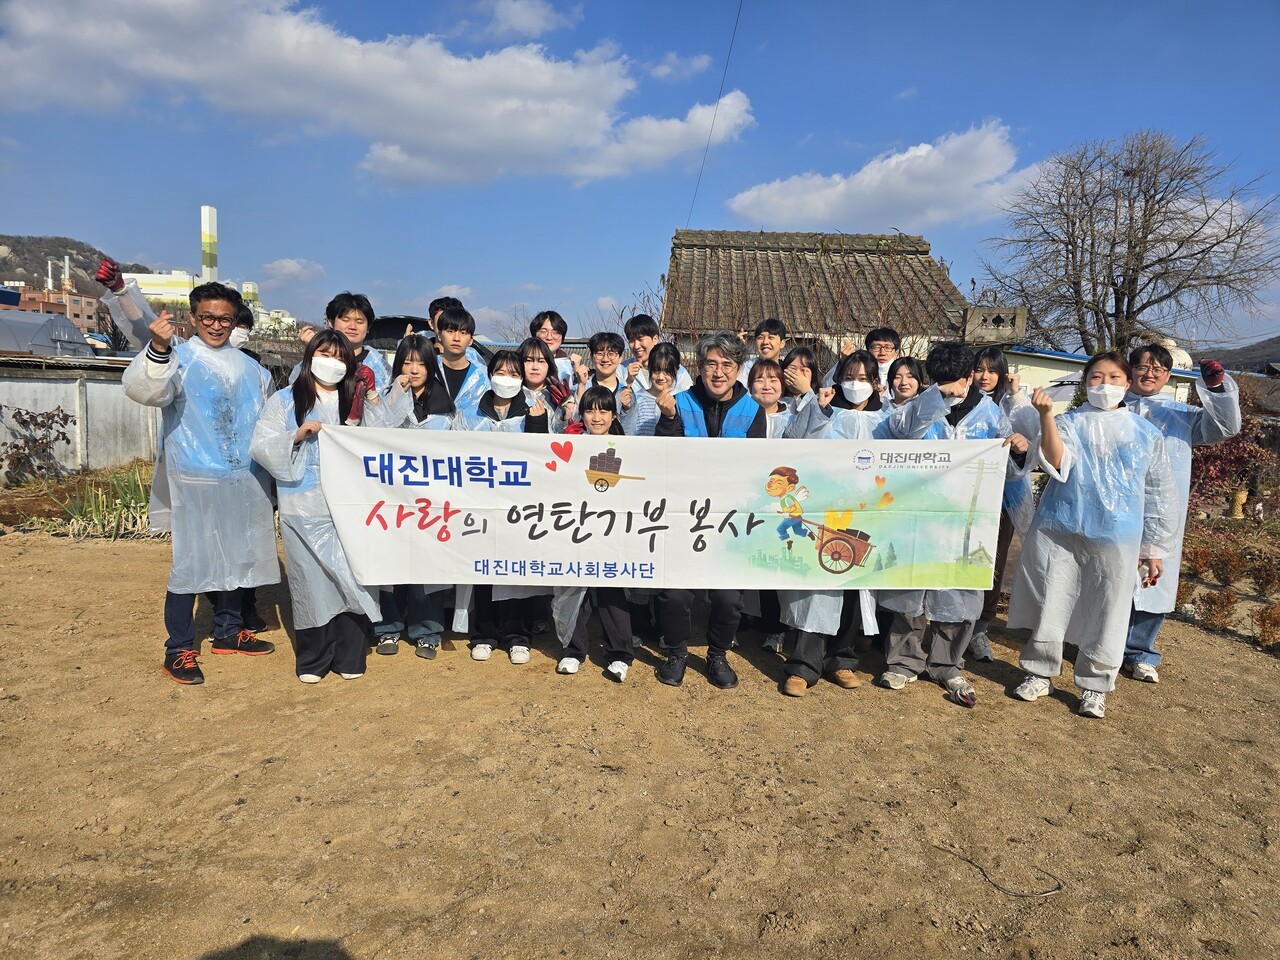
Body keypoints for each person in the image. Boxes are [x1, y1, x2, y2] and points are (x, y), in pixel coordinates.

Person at [120, 281, 281, 685]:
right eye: (207, 317)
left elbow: (269, 424)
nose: (215, 325)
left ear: (235, 321)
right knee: (191, 565)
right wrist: (157, 348)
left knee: (237, 558)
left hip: (244, 480)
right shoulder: (179, 359)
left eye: (223, 318)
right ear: (193, 317)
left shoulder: (254, 370)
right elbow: (145, 390)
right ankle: (179, 648)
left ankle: (228, 631)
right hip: (195, 478)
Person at [1009, 353, 1177, 719]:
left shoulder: (1146, 433)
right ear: (1085, 383)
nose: (1105, 385)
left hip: (1118, 534)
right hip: (1061, 528)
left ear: (1128, 383)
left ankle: (1094, 684)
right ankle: (1040, 671)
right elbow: (1056, 462)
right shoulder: (1068, 422)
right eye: (1097, 377)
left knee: (1109, 608)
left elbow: (1159, 494)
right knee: (1052, 599)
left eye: (1114, 377)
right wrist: (1046, 417)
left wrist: (1154, 548)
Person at [875, 342, 1027, 708]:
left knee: (961, 590)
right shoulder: (917, 409)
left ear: (970, 375)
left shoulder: (991, 415)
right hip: (918, 515)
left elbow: (1004, 470)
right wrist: (936, 398)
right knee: (911, 587)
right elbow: (897, 435)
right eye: (942, 382)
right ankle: (904, 660)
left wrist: (1018, 450)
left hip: (968, 519)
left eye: (957, 381)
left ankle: (947, 662)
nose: (954, 389)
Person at [251, 330, 392, 683]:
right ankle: (314, 658)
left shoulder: (354, 401)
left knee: (353, 579)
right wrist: (295, 436)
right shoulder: (285, 401)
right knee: (311, 580)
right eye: (324, 353)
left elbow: (389, 435)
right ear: (310, 356)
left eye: (340, 357)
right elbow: (262, 444)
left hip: (352, 507)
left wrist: (372, 396)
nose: (331, 363)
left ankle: (350, 654)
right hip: (303, 505)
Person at [1121, 345, 1240, 682]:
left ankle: (1140, 651)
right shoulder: (1111, 410)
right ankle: (1099, 642)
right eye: (1143, 366)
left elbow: (1225, 428)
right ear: (1130, 370)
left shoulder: (1183, 415)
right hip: (1116, 508)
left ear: (1168, 376)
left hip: (1161, 514)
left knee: (1151, 581)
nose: (1149, 373)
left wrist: (1217, 389)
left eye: (1158, 369)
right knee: (1108, 574)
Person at [654, 331, 766, 689]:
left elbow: (754, 471)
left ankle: (718, 654)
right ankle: (677, 653)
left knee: (729, 597)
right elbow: (664, 461)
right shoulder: (678, 403)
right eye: (711, 364)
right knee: (674, 594)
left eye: (727, 365)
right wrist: (669, 420)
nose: (719, 373)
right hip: (682, 516)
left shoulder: (753, 411)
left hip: (729, 519)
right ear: (699, 367)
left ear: (738, 369)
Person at [776, 352, 890, 697]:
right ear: (838, 378)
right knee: (819, 587)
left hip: (871, 512)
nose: (856, 384)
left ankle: (842, 658)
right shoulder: (826, 409)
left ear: (876, 383)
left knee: (857, 584)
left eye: (864, 378)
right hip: (826, 511)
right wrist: (818, 410)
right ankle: (803, 665)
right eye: (850, 376)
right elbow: (791, 445)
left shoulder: (888, 418)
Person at [458, 351, 550, 665]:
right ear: (489, 374)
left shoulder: (535, 410)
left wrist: (539, 424)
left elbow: (546, 459)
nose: (506, 379)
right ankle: (484, 633)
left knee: (517, 570)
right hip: (480, 503)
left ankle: (518, 636)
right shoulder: (470, 413)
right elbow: (453, 453)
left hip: (519, 506)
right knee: (484, 568)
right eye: (500, 372)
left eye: (513, 374)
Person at [371, 335, 457, 660]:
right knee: (388, 565)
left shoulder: (446, 406)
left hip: (430, 502)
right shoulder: (382, 399)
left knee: (427, 567)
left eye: (420, 362)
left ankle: (427, 631)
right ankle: (387, 628)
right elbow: (371, 434)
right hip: (389, 499)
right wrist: (395, 396)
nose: (414, 369)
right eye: (407, 362)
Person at [551, 387, 636, 682]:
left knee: (612, 591)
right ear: (582, 414)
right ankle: (573, 650)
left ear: (613, 415)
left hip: (612, 530)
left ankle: (620, 654)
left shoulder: (627, 447)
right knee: (574, 588)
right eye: (590, 410)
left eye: (603, 410)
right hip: (576, 527)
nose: (596, 417)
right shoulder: (571, 444)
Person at [967, 346, 1039, 663]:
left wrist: (1016, 395)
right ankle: (951, 624)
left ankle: (979, 629)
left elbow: (1030, 433)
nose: (984, 377)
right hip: (961, 495)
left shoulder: (1007, 407)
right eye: (979, 369)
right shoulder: (956, 404)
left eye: (991, 371)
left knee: (992, 562)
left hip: (1000, 497)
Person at [289, 292, 392, 392]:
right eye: (345, 320)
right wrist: (313, 350)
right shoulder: (316, 358)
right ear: (331, 322)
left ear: (368, 327)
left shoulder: (380, 369)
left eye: (359, 322)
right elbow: (298, 392)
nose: (352, 326)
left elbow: (384, 405)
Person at [435, 306, 490, 420]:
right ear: (439, 335)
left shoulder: (482, 377)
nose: (456, 338)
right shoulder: (428, 370)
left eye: (463, 332)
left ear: (471, 340)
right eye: (450, 331)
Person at [623, 314, 693, 394]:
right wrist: (628, 383)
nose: (636, 346)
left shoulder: (679, 372)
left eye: (640, 339)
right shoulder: (622, 370)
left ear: (655, 339)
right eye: (631, 341)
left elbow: (688, 402)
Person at [620, 341, 678, 436]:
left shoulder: (680, 399)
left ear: (677, 370)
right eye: (656, 371)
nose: (660, 377)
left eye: (667, 372)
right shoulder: (637, 399)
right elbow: (625, 430)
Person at [573, 331, 627, 403]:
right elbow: (576, 413)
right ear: (592, 357)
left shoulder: (627, 392)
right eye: (600, 354)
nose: (605, 359)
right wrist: (581, 386)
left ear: (620, 358)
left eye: (611, 354)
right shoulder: (577, 389)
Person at [531, 309, 575, 385]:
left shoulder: (569, 365)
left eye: (555, 333)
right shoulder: (522, 361)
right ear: (534, 334)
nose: (549, 337)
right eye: (543, 331)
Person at [738, 318, 789, 384]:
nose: (765, 342)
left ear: (782, 343)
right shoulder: (745, 370)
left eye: (771, 337)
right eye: (760, 338)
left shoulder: (787, 372)